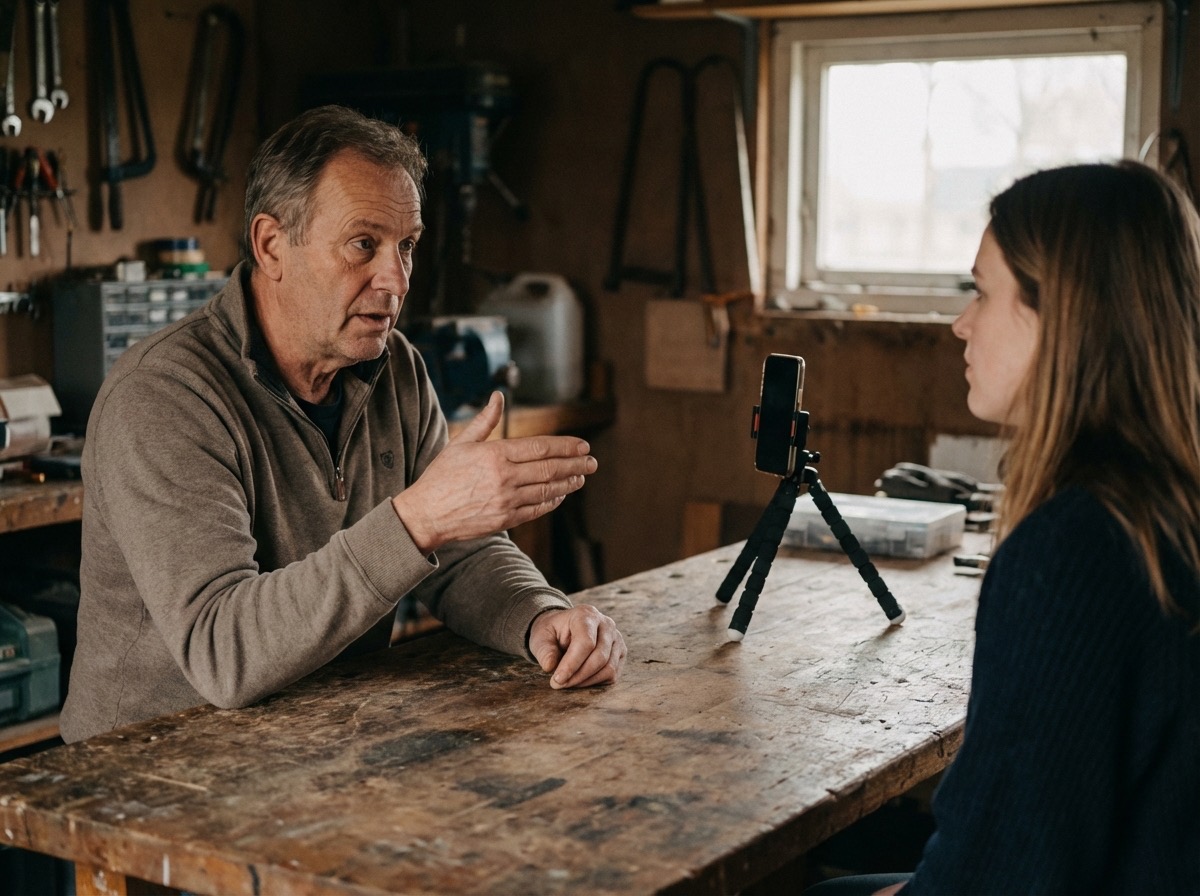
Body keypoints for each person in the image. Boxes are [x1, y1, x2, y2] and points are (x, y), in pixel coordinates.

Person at [60, 105, 626, 744]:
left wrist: (540, 616)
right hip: (148, 764)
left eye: (406, 246)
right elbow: (223, 651)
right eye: (364, 244)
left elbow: (459, 551)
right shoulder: (163, 396)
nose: (396, 280)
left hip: (317, 737)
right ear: (271, 245)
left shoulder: (394, 367)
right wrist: (416, 520)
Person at [811, 161, 1200, 895]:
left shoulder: (1073, 551)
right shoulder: (1167, 505)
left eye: (983, 293)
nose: (962, 324)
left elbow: (1004, 871)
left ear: (1064, 316)